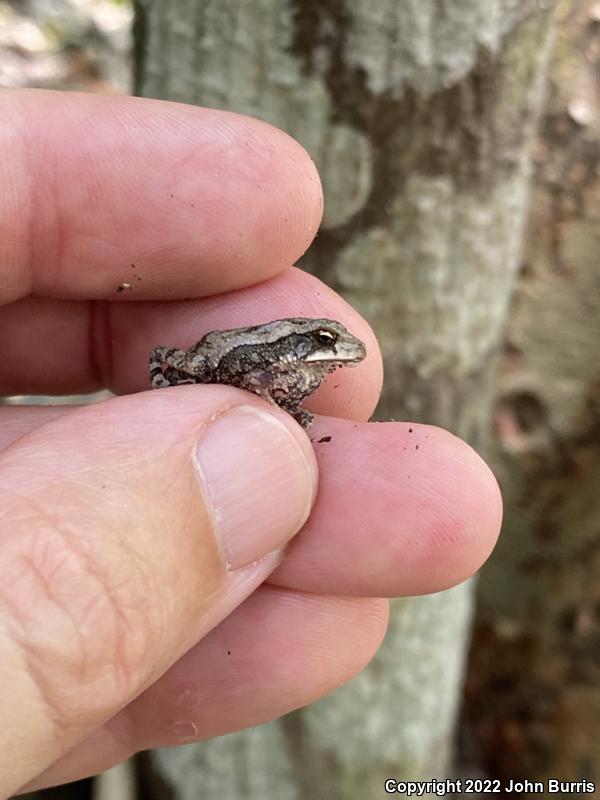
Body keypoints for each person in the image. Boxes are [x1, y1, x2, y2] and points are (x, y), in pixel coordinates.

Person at [0, 90, 502, 796]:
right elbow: (250, 368)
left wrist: (283, 407)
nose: (333, 350)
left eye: (326, 343)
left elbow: (284, 385)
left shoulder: (298, 365)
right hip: (211, 365)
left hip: (245, 370)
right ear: (307, 343)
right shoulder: (282, 354)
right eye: (325, 343)